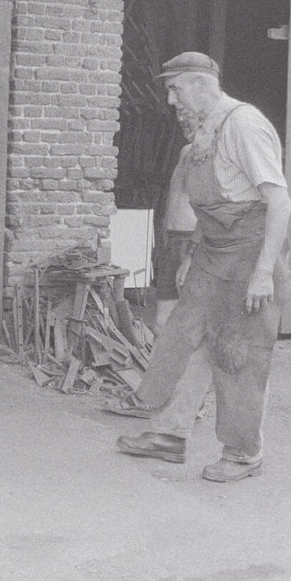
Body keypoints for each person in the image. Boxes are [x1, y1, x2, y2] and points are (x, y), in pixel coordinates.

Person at [115, 52, 291, 482]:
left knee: (239, 355)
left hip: (251, 255)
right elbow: (212, 205)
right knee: (184, 339)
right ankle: (169, 435)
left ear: (200, 84)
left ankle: (243, 454)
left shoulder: (244, 125)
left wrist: (264, 271)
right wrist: (192, 255)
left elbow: (280, 203)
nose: (171, 99)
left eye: (176, 89)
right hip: (213, 254)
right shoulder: (202, 133)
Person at [104, 111, 200, 417]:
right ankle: (164, 395)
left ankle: (174, 399)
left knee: (185, 329)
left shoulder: (204, 153)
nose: (185, 121)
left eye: (193, 117)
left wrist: (191, 253)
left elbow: (208, 207)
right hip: (173, 242)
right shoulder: (187, 151)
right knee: (162, 325)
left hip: (186, 242)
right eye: (182, 117)